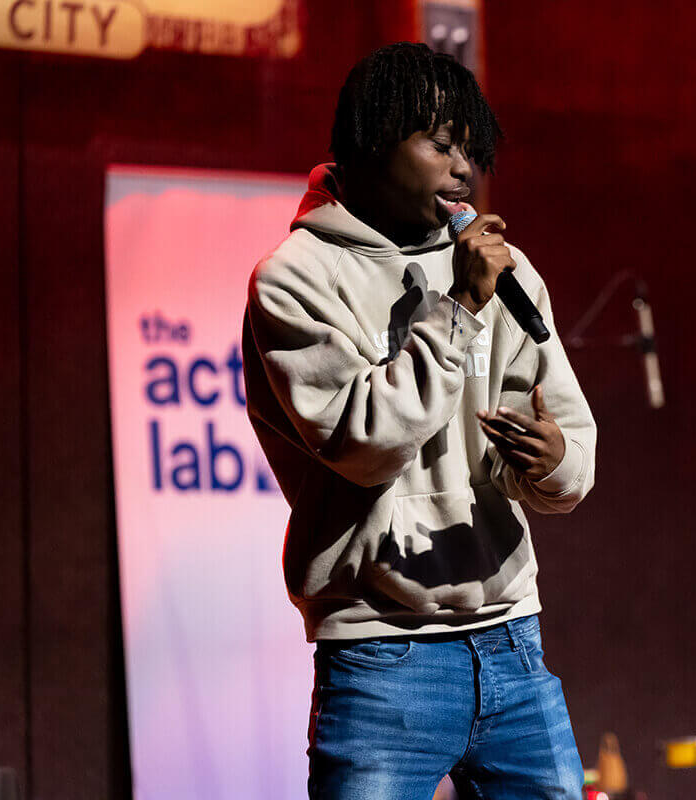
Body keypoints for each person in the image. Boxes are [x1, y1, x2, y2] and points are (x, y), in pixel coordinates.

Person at [242, 42, 596, 800]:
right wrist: (460, 309)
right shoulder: (296, 280)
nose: (463, 167)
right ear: (372, 142)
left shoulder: (505, 272)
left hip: (510, 639)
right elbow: (367, 444)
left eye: (472, 149)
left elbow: (572, 446)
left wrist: (551, 459)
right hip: (379, 654)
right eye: (440, 144)